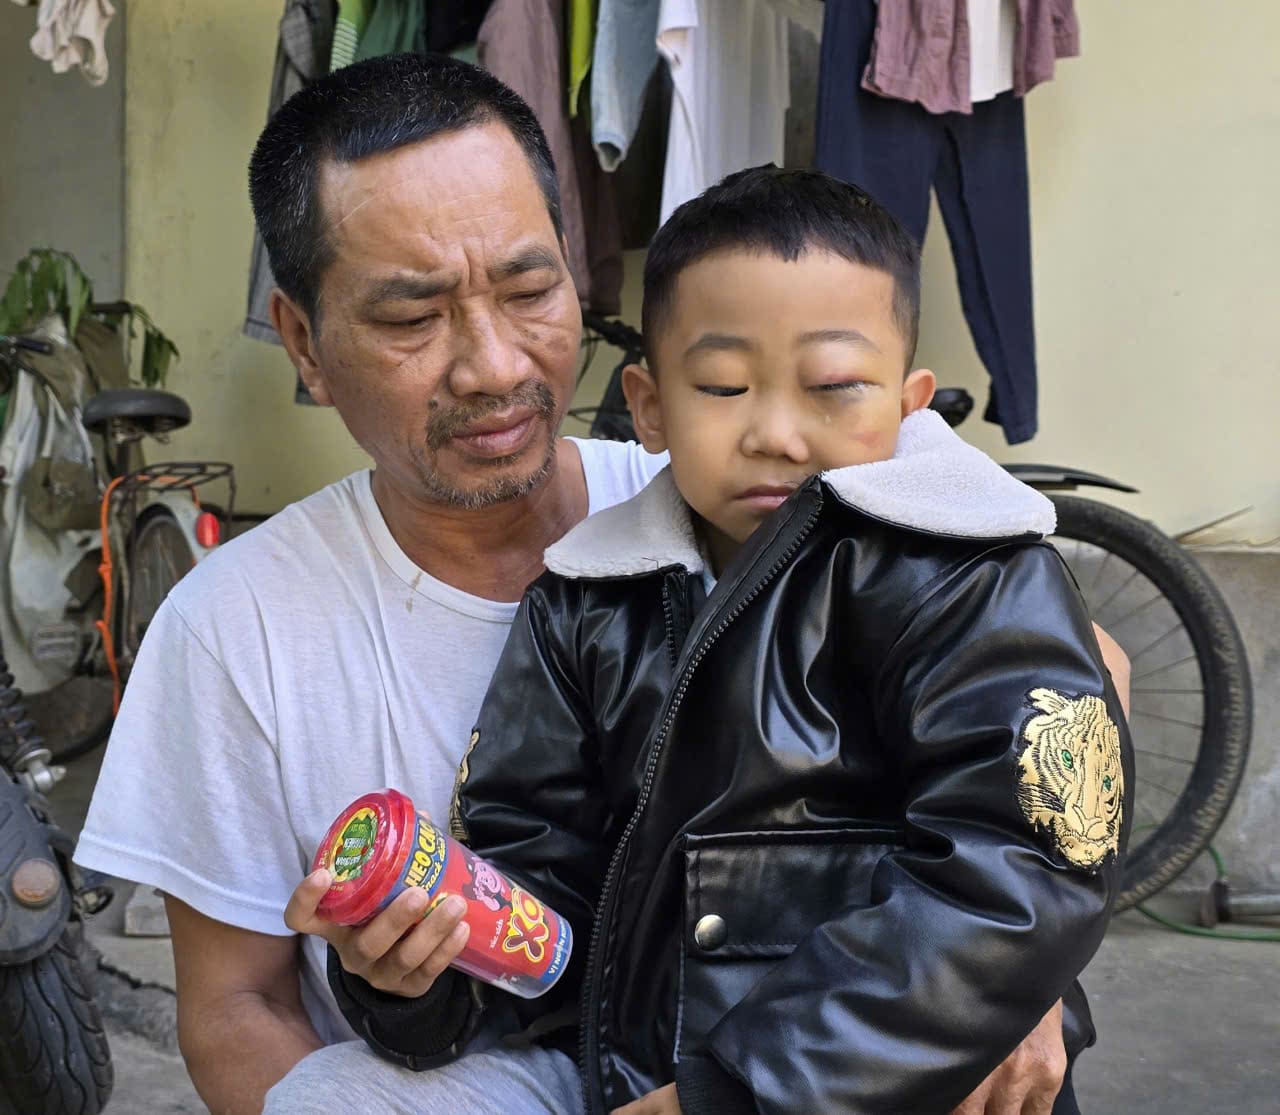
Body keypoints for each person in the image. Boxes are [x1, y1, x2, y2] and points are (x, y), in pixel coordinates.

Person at [71, 54, 1124, 1114]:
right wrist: (412, 976)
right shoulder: (578, 586)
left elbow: (1057, 737)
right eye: (411, 318)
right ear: (302, 340)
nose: (493, 365)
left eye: (529, 290)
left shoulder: (860, 535)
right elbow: (262, 997)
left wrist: (1002, 987)